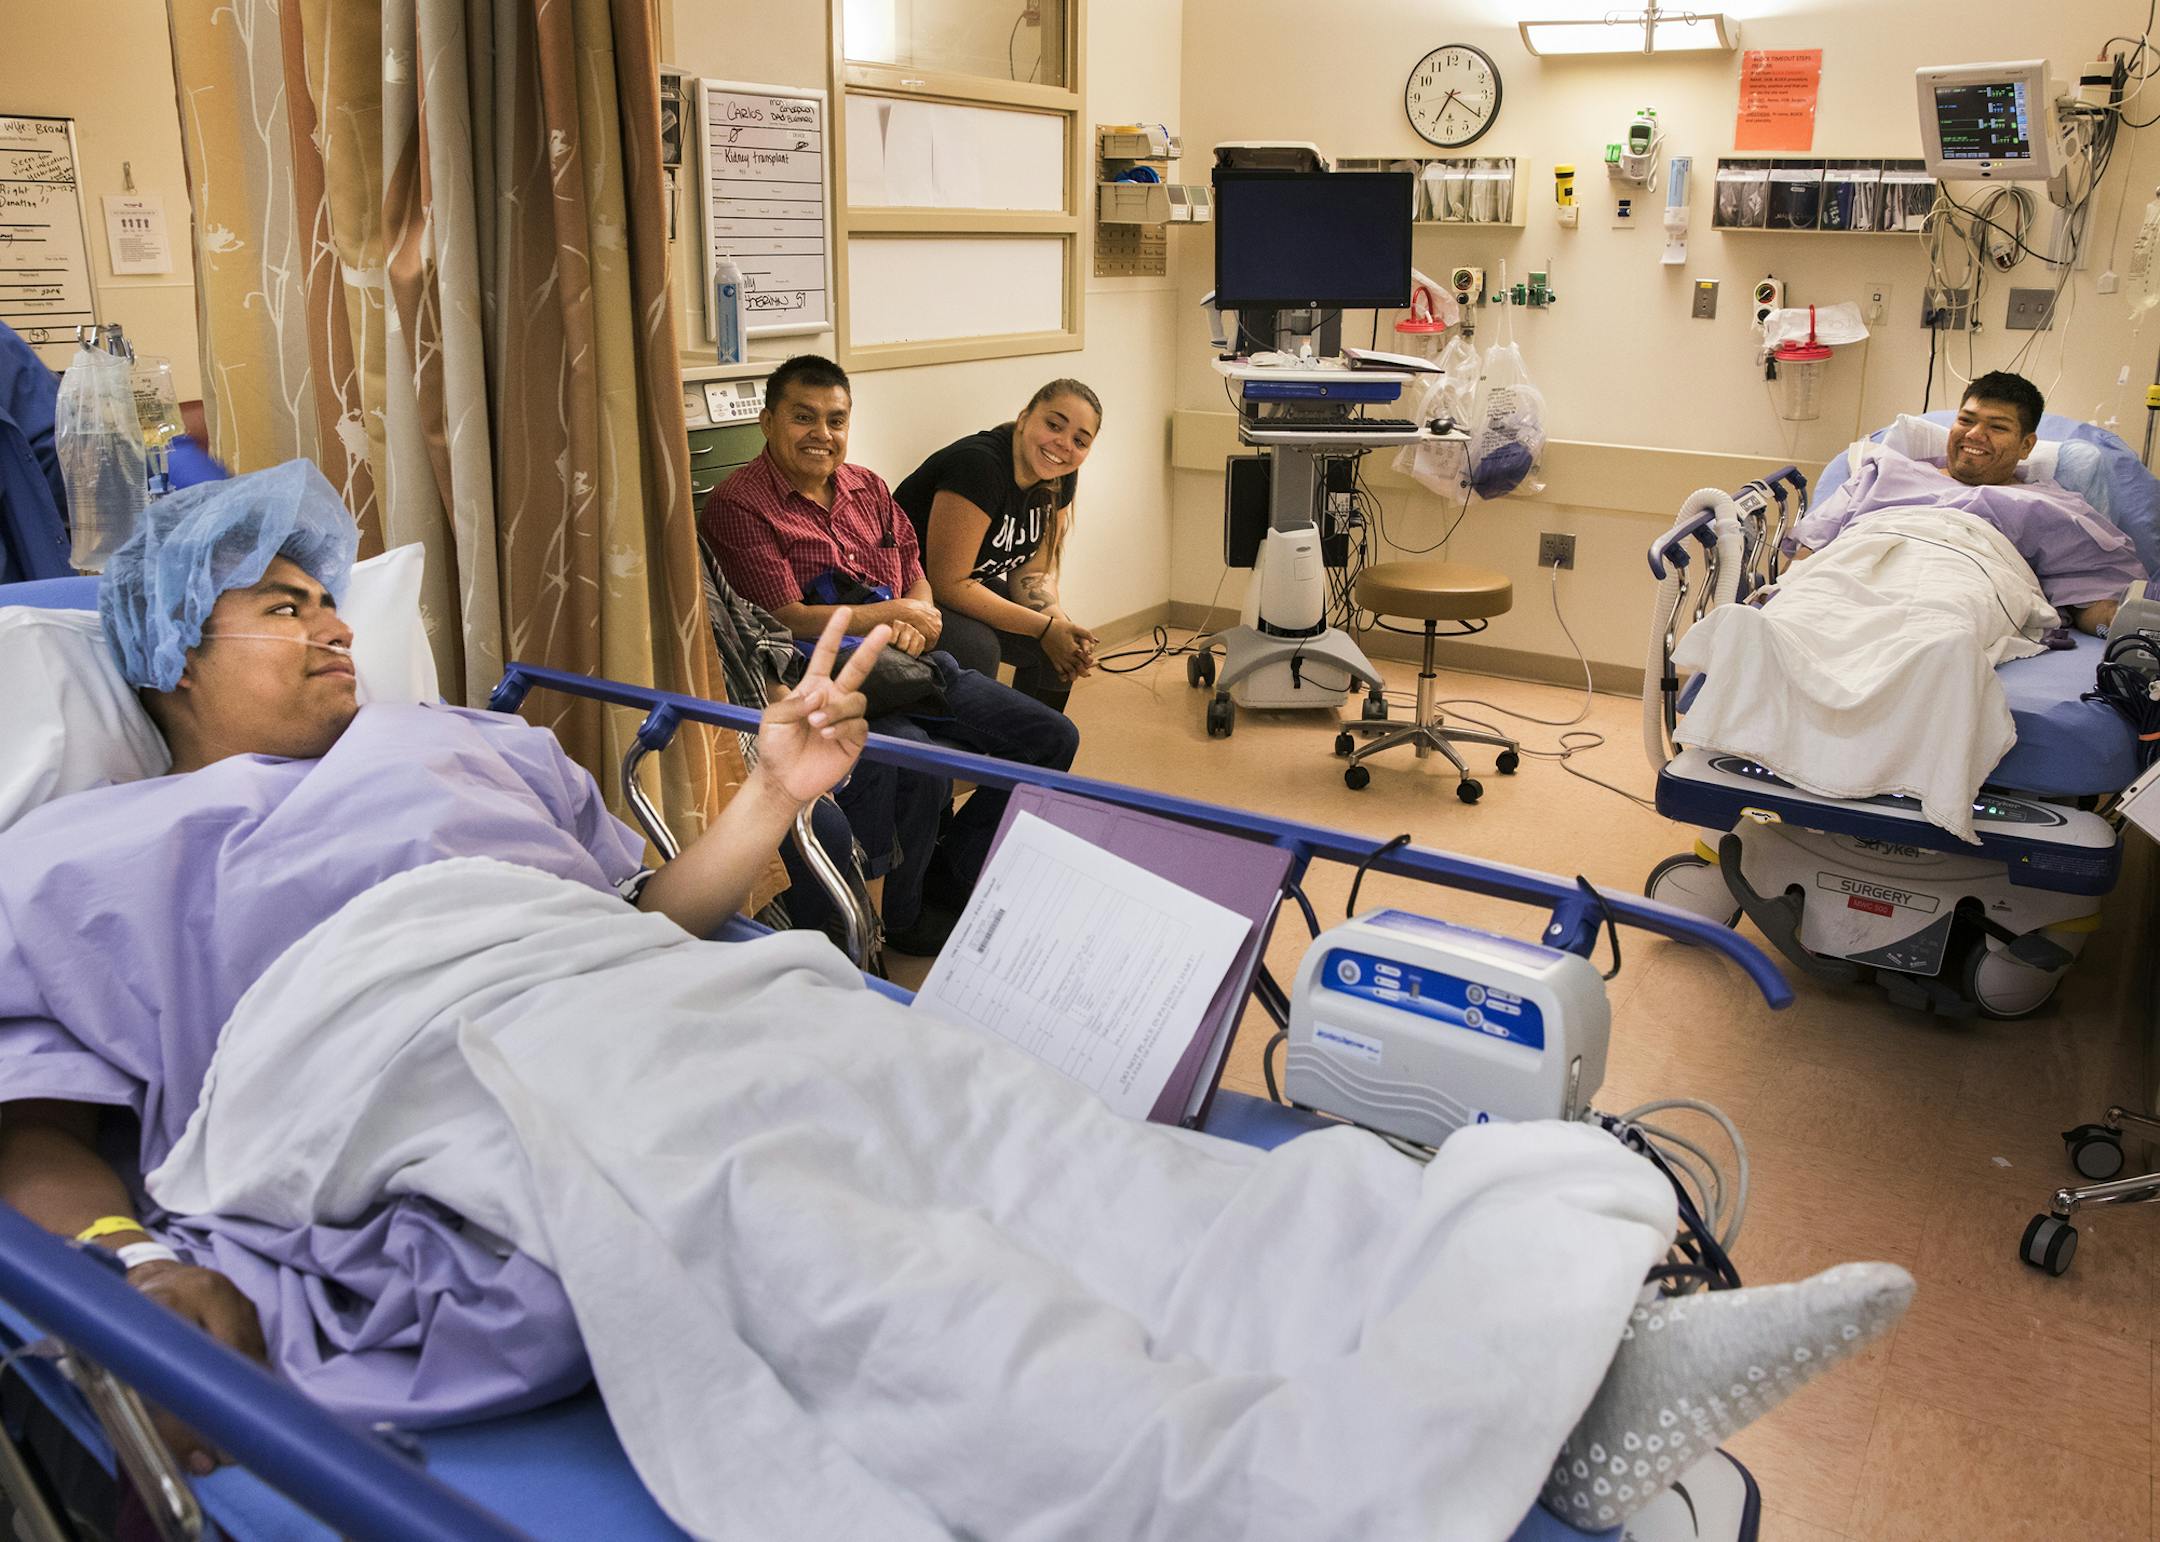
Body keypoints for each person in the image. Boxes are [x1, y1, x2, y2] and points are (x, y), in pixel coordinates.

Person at [0, 461, 1911, 1537]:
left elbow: (657, 915)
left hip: (649, 987)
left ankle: (1534, 1322)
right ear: (168, 652)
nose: (332, 622)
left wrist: (768, 798)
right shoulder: (100, 854)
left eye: (334, 595)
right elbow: (39, 1115)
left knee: (1050, 1143)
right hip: (439, 1052)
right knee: (845, 1241)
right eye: (274, 605)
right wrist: (114, 1250)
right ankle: (1307, 1485)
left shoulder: (463, 750)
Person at [701, 355, 1078, 954]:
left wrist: (921, 618)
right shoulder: (739, 505)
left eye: (835, 419)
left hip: (914, 668)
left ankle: (949, 882)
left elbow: (916, 575)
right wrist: (893, 616)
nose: (822, 435)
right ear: (768, 421)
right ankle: (894, 922)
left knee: (1053, 739)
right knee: (914, 759)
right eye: (803, 418)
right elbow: (786, 616)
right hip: (833, 682)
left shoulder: (868, 487)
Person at [1783, 371, 2142, 634]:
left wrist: (2119, 625)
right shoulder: (1885, 471)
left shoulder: (2051, 507)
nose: (1974, 435)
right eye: (1966, 421)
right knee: (1786, 623)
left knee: (1931, 636)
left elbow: (2093, 595)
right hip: (1853, 568)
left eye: (1997, 427)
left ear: (2026, 446)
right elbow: (1813, 547)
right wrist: (1789, 593)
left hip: (1959, 586)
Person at [893, 378, 1102, 712]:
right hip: (906, 586)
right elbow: (947, 583)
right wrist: (1044, 628)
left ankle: (1030, 758)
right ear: (1023, 419)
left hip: (963, 583)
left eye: (1080, 440)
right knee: (979, 646)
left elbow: (1033, 571)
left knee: (1061, 650)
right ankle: (967, 757)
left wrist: (1057, 625)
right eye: (1053, 425)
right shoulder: (978, 466)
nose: (1064, 444)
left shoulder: (1060, 475)